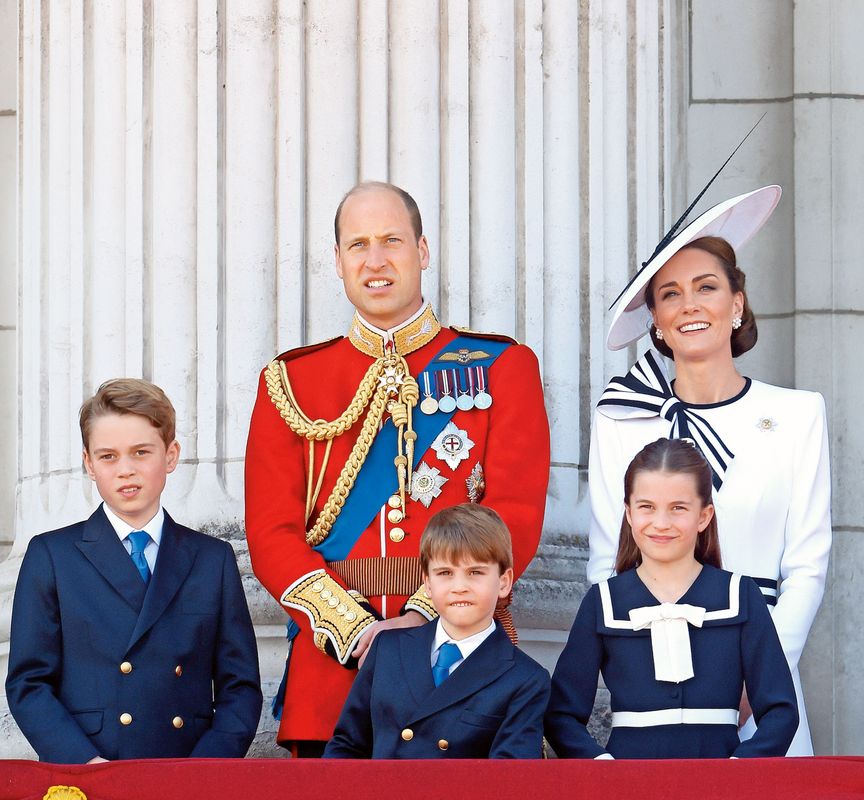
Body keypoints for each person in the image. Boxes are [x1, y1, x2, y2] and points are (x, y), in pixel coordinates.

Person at [245, 181, 550, 755]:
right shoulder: (291, 381)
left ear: (423, 251)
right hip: (333, 679)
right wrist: (356, 632)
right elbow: (270, 534)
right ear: (337, 262)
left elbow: (515, 510)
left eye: (392, 241)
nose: (376, 260)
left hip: (459, 670)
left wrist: (422, 618)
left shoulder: (502, 367)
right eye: (358, 245)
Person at [588, 186, 830, 755]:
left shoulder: (798, 414)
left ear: (737, 303)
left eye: (706, 287)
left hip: (763, 688)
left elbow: (807, 568)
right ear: (655, 319)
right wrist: (640, 670)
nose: (689, 305)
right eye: (670, 294)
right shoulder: (621, 419)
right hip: (653, 681)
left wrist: (757, 675)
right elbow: (606, 562)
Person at [5, 379, 262, 763]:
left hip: (187, 772)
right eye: (108, 456)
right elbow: (29, 683)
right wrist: (85, 765)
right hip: (90, 773)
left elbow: (239, 687)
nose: (125, 470)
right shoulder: (52, 555)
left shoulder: (213, 559)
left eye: (141, 452)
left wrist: (206, 769)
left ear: (170, 455)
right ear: (89, 464)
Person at [546, 439, 798, 759]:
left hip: (722, 787)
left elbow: (781, 711)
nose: (661, 523)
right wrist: (601, 766)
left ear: (704, 516)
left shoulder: (740, 595)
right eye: (646, 507)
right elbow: (560, 715)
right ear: (628, 512)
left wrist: (741, 769)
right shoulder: (604, 601)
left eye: (678, 508)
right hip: (628, 786)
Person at [324, 504, 550, 758]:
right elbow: (346, 747)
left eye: (475, 572)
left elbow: (508, 781)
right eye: (445, 573)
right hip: (377, 796)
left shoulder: (525, 679)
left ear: (504, 582)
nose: (459, 586)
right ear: (427, 584)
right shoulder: (386, 648)